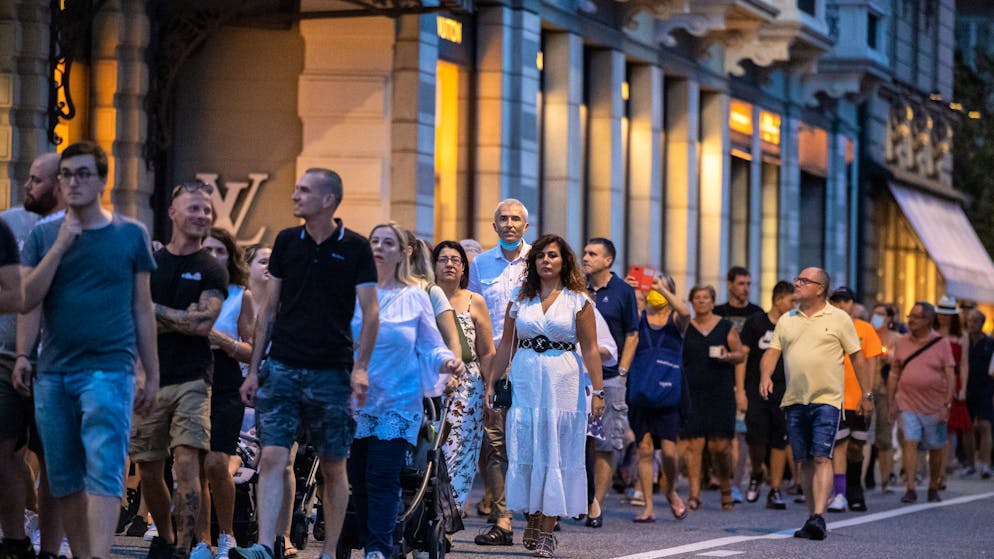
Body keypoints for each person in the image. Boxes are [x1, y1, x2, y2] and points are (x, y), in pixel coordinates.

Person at [17, 140, 159, 559]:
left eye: (83, 174)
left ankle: (97, 555)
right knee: (63, 478)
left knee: (104, 467)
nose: (73, 182)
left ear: (101, 181)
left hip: (109, 368)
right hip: (55, 371)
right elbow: (28, 299)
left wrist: (149, 372)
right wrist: (60, 246)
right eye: (66, 174)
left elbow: (142, 307)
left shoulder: (130, 234)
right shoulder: (43, 235)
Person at [234, 168, 379, 559]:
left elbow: (371, 314)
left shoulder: (355, 247)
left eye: (304, 190)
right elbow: (268, 311)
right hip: (281, 368)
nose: (295, 195)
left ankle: (331, 550)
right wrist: (253, 370)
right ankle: (266, 544)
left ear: (328, 199)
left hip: (331, 371)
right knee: (273, 454)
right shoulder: (286, 242)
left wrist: (360, 367)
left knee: (333, 463)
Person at [484, 234, 605, 558]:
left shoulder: (578, 300)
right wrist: (492, 383)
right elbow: (507, 345)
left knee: (555, 451)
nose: (546, 260)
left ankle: (547, 531)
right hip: (525, 379)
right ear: (533, 262)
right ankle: (533, 516)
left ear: (564, 261)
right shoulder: (518, 298)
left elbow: (591, 349)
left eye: (553, 255)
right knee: (525, 447)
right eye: (540, 256)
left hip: (563, 380)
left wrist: (599, 391)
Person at [350, 223, 464, 559]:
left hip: (397, 401)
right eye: (374, 241)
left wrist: (447, 362)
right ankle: (371, 537)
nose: (379, 248)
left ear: (403, 252)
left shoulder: (416, 295)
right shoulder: (355, 292)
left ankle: (378, 549)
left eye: (388, 242)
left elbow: (431, 345)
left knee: (382, 476)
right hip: (354, 401)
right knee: (356, 477)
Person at [131, 181, 228, 559]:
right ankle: (168, 538)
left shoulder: (212, 269)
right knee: (150, 469)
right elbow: (130, 315)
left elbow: (202, 324)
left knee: (187, 462)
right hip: (149, 377)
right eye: (194, 208)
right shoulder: (150, 263)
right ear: (173, 212)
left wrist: (150, 309)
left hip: (193, 378)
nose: (202, 215)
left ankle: (185, 548)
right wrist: (171, 316)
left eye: (206, 210)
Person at [759, 268, 867, 541]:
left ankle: (819, 515)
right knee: (804, 460)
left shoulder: (840, 318)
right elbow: (772, 353)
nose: (796, 283)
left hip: (827, 399)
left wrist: (867, 394)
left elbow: (858, 357)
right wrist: (765, 375)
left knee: (821, 456)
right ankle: (812, 516)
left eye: (803, 281)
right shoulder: (787, 320)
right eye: (798, 279)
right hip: (794, 399)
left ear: (820, 289)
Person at [2, 152, 65, 559]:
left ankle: (50, 547)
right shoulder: (8, 222)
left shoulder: (80, 230)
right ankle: (14, 539)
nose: (28, 186)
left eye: (36, 180)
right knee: (2, 447)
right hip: (5, 355)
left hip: (59, 363)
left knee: (54, 460)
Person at [468, 199, 530, 546]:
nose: (509, 224)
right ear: (494, 226)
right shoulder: (480, 264)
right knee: (494, 444)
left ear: (526, 226)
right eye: (503, 219)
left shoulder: (538, 262)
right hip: (492, 362)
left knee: (529, 442)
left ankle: (537, 516)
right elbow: (475, 315)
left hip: (530, 362)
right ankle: (503, 520)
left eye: (515, 219)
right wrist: (484, 363)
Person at [195, 228, 256, 559]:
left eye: (220, 250)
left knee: (218, 462)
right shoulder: (189, 287)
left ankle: (227, 534)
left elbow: (251, 349)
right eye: (208, 249)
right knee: (193, 465)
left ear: (230, 256)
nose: (212, 255)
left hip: (226, 379)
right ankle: (202, 539)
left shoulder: (240, 294)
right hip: (190, 376)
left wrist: (225, 342)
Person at [432, 241, 496, 515]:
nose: (449, 264)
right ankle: (424, 514)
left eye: (456, 260)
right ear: (432, 265)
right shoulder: (423, 297)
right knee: (429, 450)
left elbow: (486, 350)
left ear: (464, 269)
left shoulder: (474, 300)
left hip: (467, 386)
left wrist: (490, 389)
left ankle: (448, 520)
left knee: (460, 454)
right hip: (429, 381)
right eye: (443, 259)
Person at [580, 238, 638, 528]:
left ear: (608, 261)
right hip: (579, 377)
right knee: (580, 443)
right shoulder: (578, 289)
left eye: (593, 254)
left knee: (606, 445)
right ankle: (581, 497)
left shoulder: (624, 292)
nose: (586, 257)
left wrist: (623, 371)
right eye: (585, 252)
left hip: (611, 377)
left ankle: (597, 504)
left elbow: (632, 334)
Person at [627, 273, 690, 523]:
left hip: (668, 392)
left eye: (661, 288)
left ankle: (670, 489)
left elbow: (685, 313)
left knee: (670, 452)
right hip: (641, 390)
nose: (654, 291)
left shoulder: (675, 320)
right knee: (644, 449)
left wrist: (663, 291)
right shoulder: (639, 318)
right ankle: (648, 506)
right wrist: (634, 292)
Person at [682, 284, 745, 511]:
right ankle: (694, 494)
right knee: (693, 445)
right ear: (691, 301)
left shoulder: (725, 326)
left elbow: (741, 355)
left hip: (720, 392)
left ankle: (726, 489)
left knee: (720, 446)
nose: (701, 301)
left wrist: (727, 355)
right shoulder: (686, 326)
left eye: (706, 298)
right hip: (692, 392)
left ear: (712, 301)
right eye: (697, 298)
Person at [888, 301, 956, 503]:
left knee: (935, 447)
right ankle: (910, 487)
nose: (910, 320)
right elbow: (894, 373)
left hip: (935, 405)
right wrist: (891, 401)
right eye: (909, 316)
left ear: (928, 320)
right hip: (907, 402)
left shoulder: (941, 343)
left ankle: (933, 486)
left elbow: (950, 375)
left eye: (916, 317)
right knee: (910, 441)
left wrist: (947, 405)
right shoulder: (902, 342)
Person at [738, 280, 795, 510]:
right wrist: (740, 390)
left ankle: (775, 489)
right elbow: (742, 358)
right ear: (778, 299)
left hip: (784, 390)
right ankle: (756, 472)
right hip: (756, 389)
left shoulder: (794, 325)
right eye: (791, 301)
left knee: (780, 439)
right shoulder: (755, 323)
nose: (794, 306)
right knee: (757, 439)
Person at [825, 287, 881, 513]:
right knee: (839, 446)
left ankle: (854, 489)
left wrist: (868, 396)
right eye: (836, 301)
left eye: (845, 301)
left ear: (853, 304)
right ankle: (839, 494)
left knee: (857, 447)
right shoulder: (828, 328)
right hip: (834, 398)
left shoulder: (865, 330)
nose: (841, 305)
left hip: (859, 398)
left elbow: (872, 365)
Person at [934, 295, 970, 481]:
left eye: (948, 314)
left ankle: (945, 464)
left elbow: (963, 364)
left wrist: (962, 388)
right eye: (941, 313)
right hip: (932, 381)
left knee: (949, 426)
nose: (944, 317)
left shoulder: (961, 336)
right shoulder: (931, 332)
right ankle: (934, 465)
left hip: (952, 381)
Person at [407, 234, 461, 356]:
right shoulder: (383, 289)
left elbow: (453, 340)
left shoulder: (430, 291)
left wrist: (452, 372)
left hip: (426, 367)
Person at [870, 303, 901, 493]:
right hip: (866, 389)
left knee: (884, 437)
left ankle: (885, 479)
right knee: (864, 437)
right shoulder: (866, 334)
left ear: (889, 319)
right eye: (875, 313)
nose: (877, 317)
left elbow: (901, 362)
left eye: (881, 314)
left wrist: (888, 355)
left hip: (885, 391)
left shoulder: (897, 339)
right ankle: (866, 479)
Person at [963, 309, 994, 478]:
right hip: (967, 389)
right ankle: (971, 463)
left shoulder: (990, 343)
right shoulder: (964, 342)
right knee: (967, 427)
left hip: (985, 388)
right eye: (969, 320)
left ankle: (985, 463)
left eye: (975, 321)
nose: (972, 324)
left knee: (985, 426)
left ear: (982, 323)